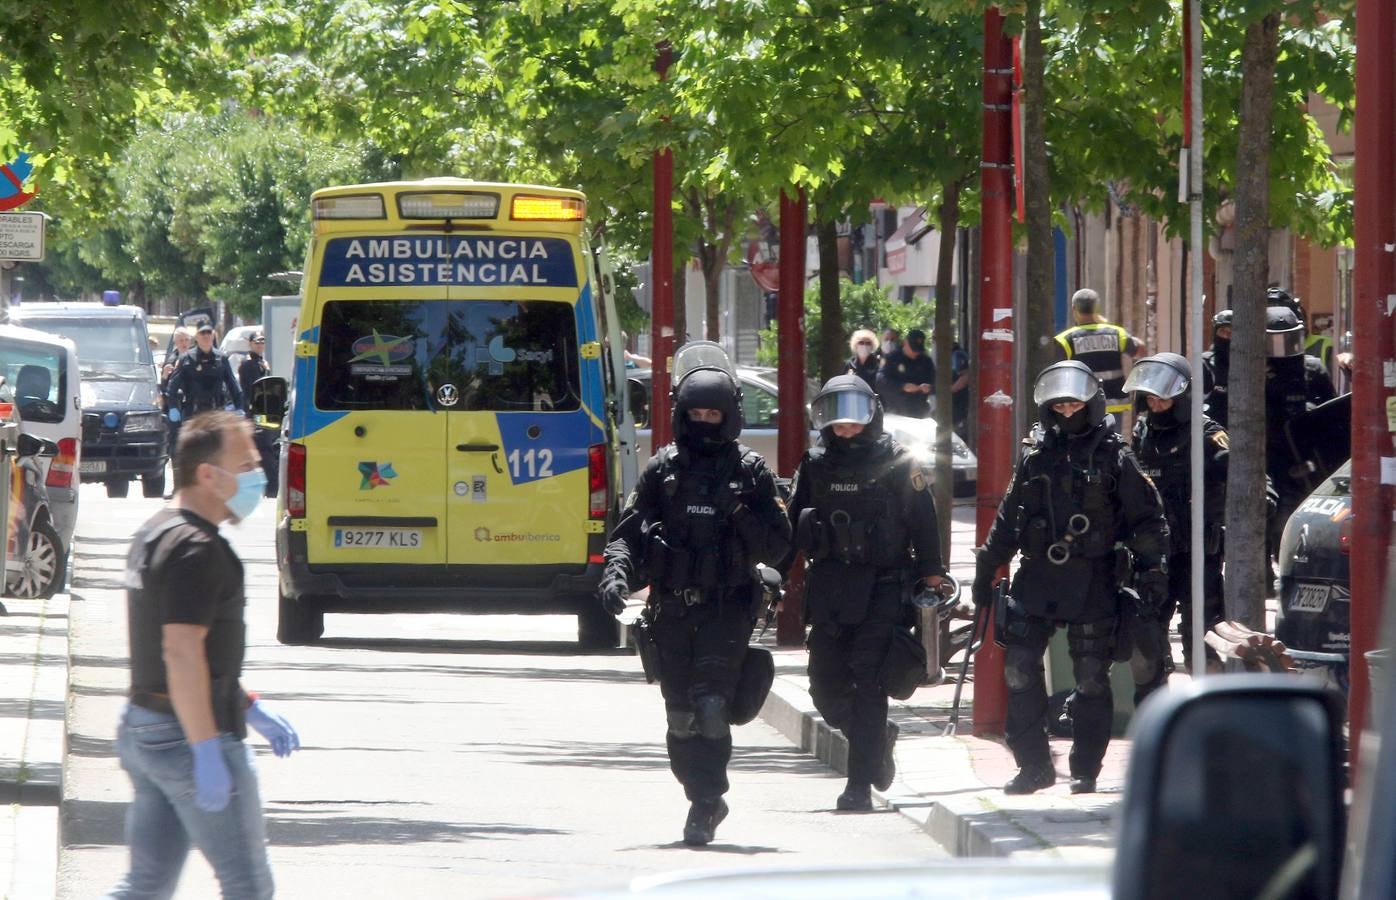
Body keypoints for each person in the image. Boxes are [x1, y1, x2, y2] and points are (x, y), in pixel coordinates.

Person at [598, 344, 791, 846]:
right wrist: (615, 573)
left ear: (729, 416)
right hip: (671, 611)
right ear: (682, 414)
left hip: (728, 608)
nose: (705, 421)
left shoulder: (749, 471)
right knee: (681, 718)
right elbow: (628, 532)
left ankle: (707, 803)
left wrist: (739, 512)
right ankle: (700, 794)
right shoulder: (662, 470)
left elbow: (780, 542)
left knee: (710, 705)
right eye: (696, 413)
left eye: (714, 413)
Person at [105, 411, 299, 899]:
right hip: (185, 734)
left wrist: (248, 706)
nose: (259, 474)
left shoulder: (157, 531)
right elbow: (181, 651)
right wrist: (206, 748)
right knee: (248, 885)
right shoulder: (197, 549)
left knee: (145, 887)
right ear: (209, 475)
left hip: (145, 728)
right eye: (248, 464)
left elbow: (180, 647)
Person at [972, 361, 1169, 795]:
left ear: (1092, 404)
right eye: (1058, 404)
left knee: (1090, 677)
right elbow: (1009, 518)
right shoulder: (1034, 455)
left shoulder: (1116, 456)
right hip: (1037, 577)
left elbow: (1147, 520)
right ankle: (1034, 766)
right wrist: (988, 564)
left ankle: (1085, 768)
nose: (1065, 411)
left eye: (1073, 403)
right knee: (1020, 669)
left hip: (1093, 579)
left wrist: (1153, 570)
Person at [783, 375, 946, 811]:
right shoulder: (815, 463)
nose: (845, 428)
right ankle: (876, 742)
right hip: (831, 587)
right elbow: (791, 527)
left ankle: (859, 787)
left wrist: (933, 578)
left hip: (884, 585)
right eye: (836, 420)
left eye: (853, 420)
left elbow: (924, 523)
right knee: (824, 687)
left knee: (869, 683)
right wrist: (773, 575)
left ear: (870, 415)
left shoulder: (897, 460)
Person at [1123, 354, 1230, 700]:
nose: (1157, 406)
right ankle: (1154, 713)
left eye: (1164, 399)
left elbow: (1248, 480)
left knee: (1201, 637)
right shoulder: (1142, 433)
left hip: (1198, 554)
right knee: (1147, 638)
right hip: (1155, 555)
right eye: (1151, 400)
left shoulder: (1208, 435)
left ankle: (1208, 711)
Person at [1264, 304, 1338, 585]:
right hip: (1270, 456)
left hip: (1306, 456)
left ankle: (1300, 572)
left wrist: (1307, 411)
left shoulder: (1311, 368)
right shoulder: (1256, 371)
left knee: (1302, 517)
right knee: (1269, 516)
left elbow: (1330, 412)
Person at [1053, 288, 1145, 430]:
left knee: (1085, 446)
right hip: (1113, 405)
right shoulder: (1115, 333)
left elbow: (1059, 375)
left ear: (1074, 309)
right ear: (1096, 308)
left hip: (1082, 406)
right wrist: (1106, 325)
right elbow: (1140, 350)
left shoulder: (1065, 339)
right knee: (1112, 446)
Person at [166, 323, 244, 420]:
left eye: (209, 332)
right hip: (193, 413)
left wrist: (239, 407)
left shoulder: (221, 358)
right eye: (202, 333)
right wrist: (172, 407)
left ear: (213, 335)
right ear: (196, 337)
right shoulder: (187, 358)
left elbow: (232, 384)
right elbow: (173, 386)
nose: (206, 335)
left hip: (216, 412)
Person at [876, 328, 936, 418]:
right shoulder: (892, 358)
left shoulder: (926, 361)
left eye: (918, 350)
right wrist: (902, 386)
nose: (915, 353)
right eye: (913, 349)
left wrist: (930, 388)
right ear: (905, 343)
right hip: (894, 413)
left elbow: (938, 384)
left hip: (919, 413)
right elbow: (880, 381)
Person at [1201, 309, 1232, 427]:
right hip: (1213, 431)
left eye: (1231, 332)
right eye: (1223, 331)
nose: (1227, 336)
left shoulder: (1248, 362)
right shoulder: (1205, 363)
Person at [949, 342, 971, 439]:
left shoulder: (957, 355)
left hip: (959, 403)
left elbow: (966, 376)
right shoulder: (952, 355)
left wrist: (950, 390)